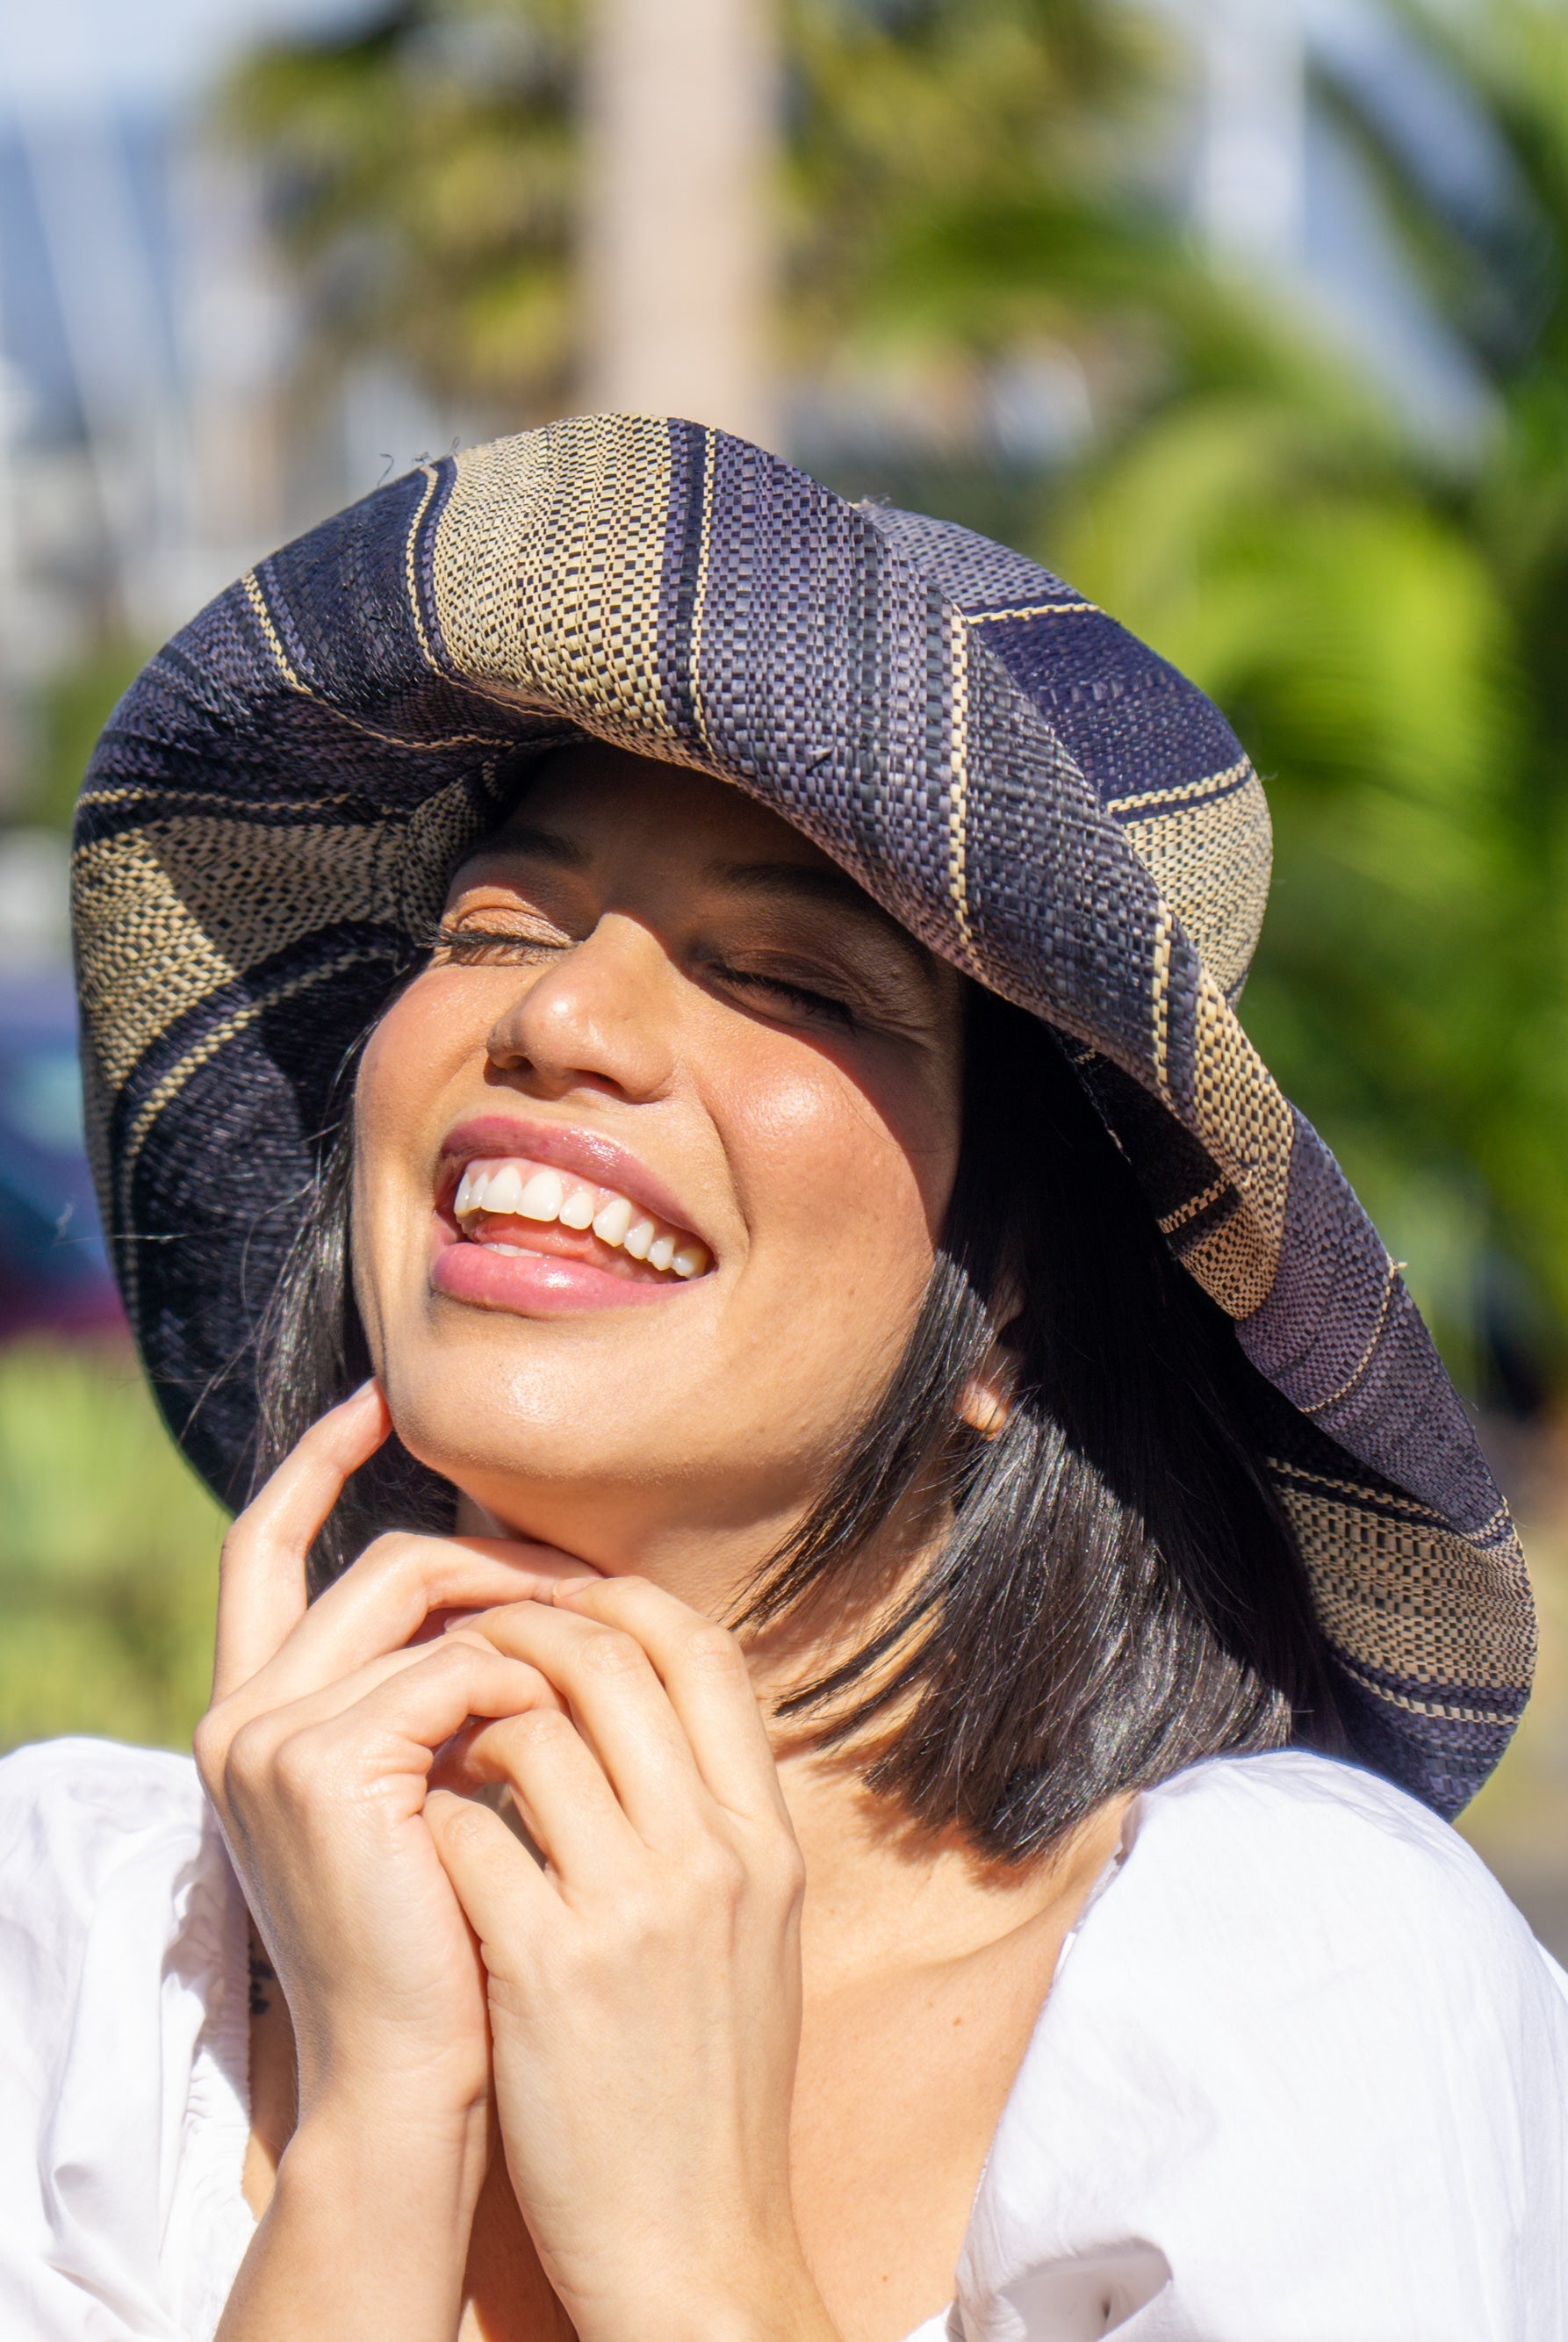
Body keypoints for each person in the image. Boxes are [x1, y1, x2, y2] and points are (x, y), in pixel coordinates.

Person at [2, 414, 1564, 2342]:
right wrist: (380, 2128)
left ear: (1006, 1299)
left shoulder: (1286, 1996)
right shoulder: (78, 1953)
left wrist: (695, 2254)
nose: (562, 1016)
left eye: (795, 982)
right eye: (496, 922)